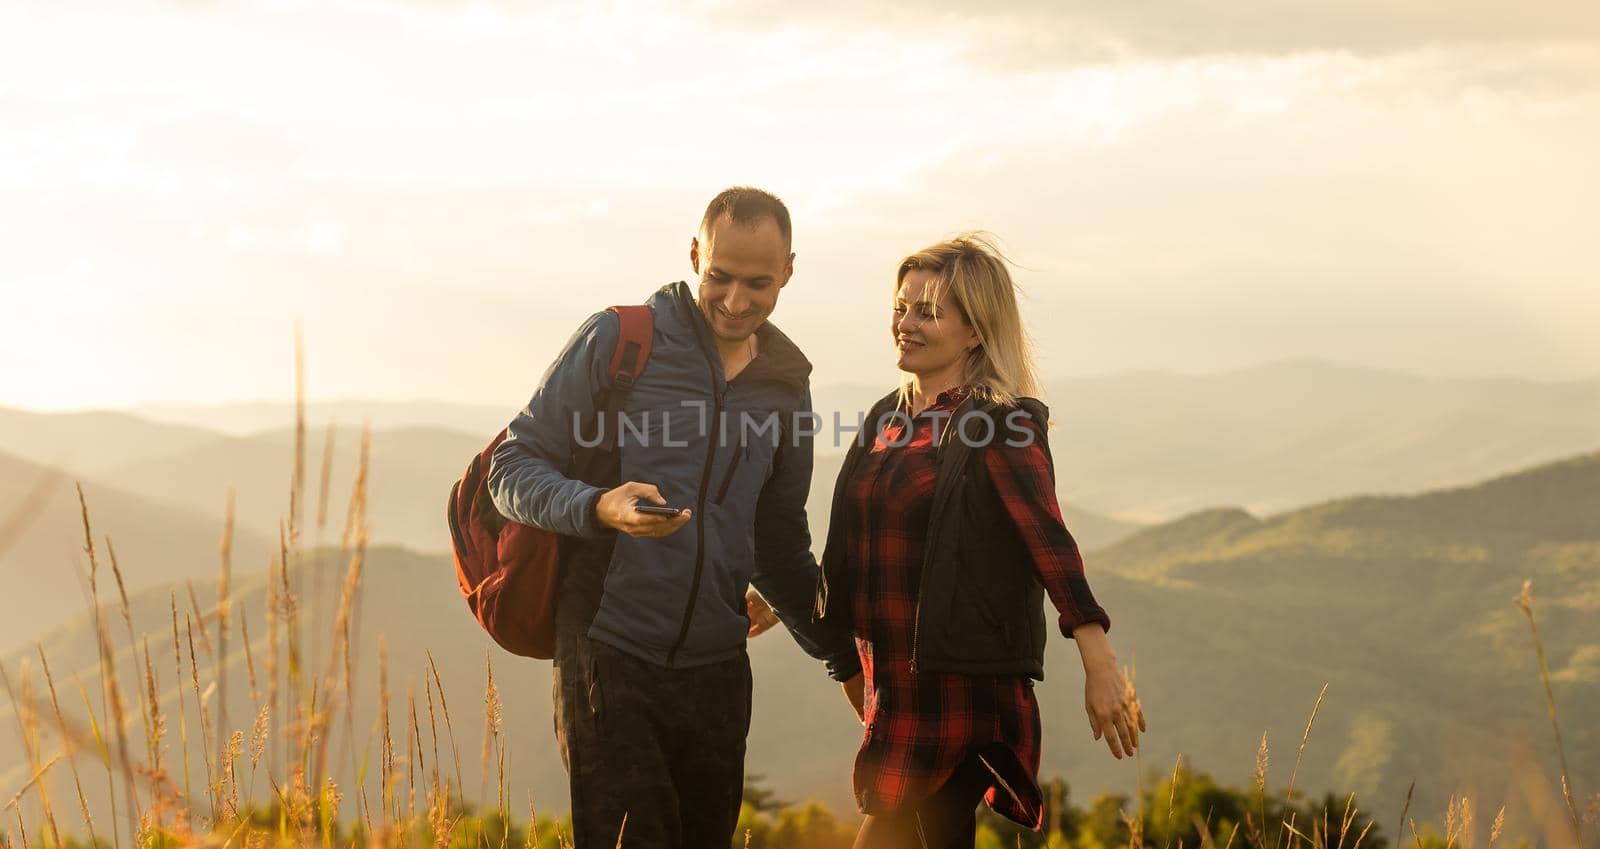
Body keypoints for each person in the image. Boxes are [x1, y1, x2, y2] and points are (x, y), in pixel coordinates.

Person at [486, 186, 860, 848]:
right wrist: (598, 506)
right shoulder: (620, 341)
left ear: (790, 272)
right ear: (695, 253)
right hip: (609, 653)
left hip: (718, 673)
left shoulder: (786, 381)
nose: (735, 301)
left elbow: (777, 542)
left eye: (758, 283)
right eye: (719, 276)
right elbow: (510, 469)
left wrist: (849, 666)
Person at [813, 233, 1146, 848]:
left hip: (960, 693)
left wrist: (1099, 663)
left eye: (928, 312)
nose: (905, 324)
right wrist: (795, 597)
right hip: (891, 685)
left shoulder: (1000, 421)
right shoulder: (887, 417)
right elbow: (858, 537)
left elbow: (1049, 539)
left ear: (974, 331)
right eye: (902, 307)